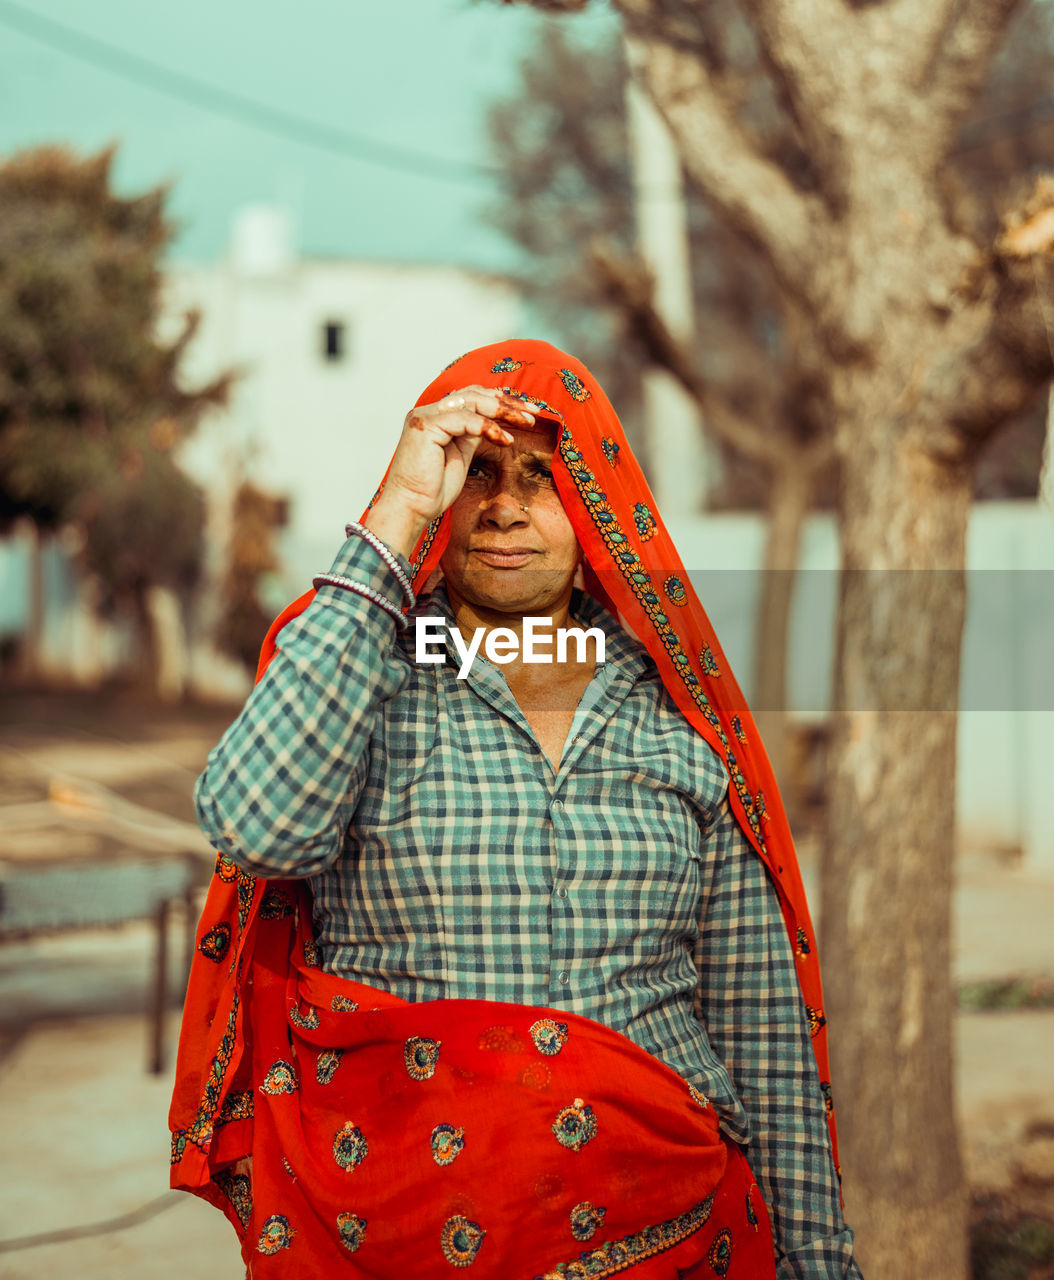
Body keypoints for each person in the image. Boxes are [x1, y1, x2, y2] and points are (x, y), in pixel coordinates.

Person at [170, 340, 862, 1279]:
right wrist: (401, 507)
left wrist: (817, 1255)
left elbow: (761, 1028)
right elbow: (257, 826)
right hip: (398, 1231)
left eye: (543, 476)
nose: (503, 505)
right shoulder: (362, 677)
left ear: (596, 516)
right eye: (477, 475)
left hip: (668, 1227)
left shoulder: (677, 718)